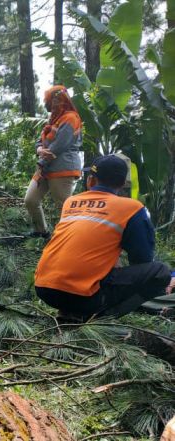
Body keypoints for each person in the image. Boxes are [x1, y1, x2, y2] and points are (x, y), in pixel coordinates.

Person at [34, 155, 175, 320]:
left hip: (44, 288)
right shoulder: (131, 208)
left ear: (91, 180)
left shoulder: (71, 201)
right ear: (123, 183)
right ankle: (99, 317)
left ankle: (70, 311)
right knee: (160, 272)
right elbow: (142, 258)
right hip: (82, 297)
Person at [24, 85, 84, 238]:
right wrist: (39, 150)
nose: (48, 104)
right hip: (45, 167)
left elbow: (59, 146)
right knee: (30, 200)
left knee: (64, 206)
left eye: (50, 101)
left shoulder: (71, 118)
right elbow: (40, 141)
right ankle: (41, 232)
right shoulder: (53, 120)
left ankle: (72, 237)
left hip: (62, 168)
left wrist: (43, 159)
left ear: (59, 101)